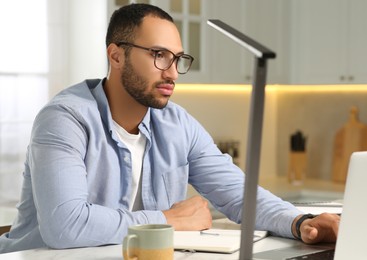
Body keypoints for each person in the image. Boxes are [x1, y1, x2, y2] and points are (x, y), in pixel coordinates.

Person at [0, 3, 339, 253]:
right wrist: (169, 218)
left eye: (178, 59)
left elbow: (240, 196)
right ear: (116, 56)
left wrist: (300, 222)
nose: (173, 73)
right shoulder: (65, 118)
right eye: (159, 55)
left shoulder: (177, 124)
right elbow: (65, 226)